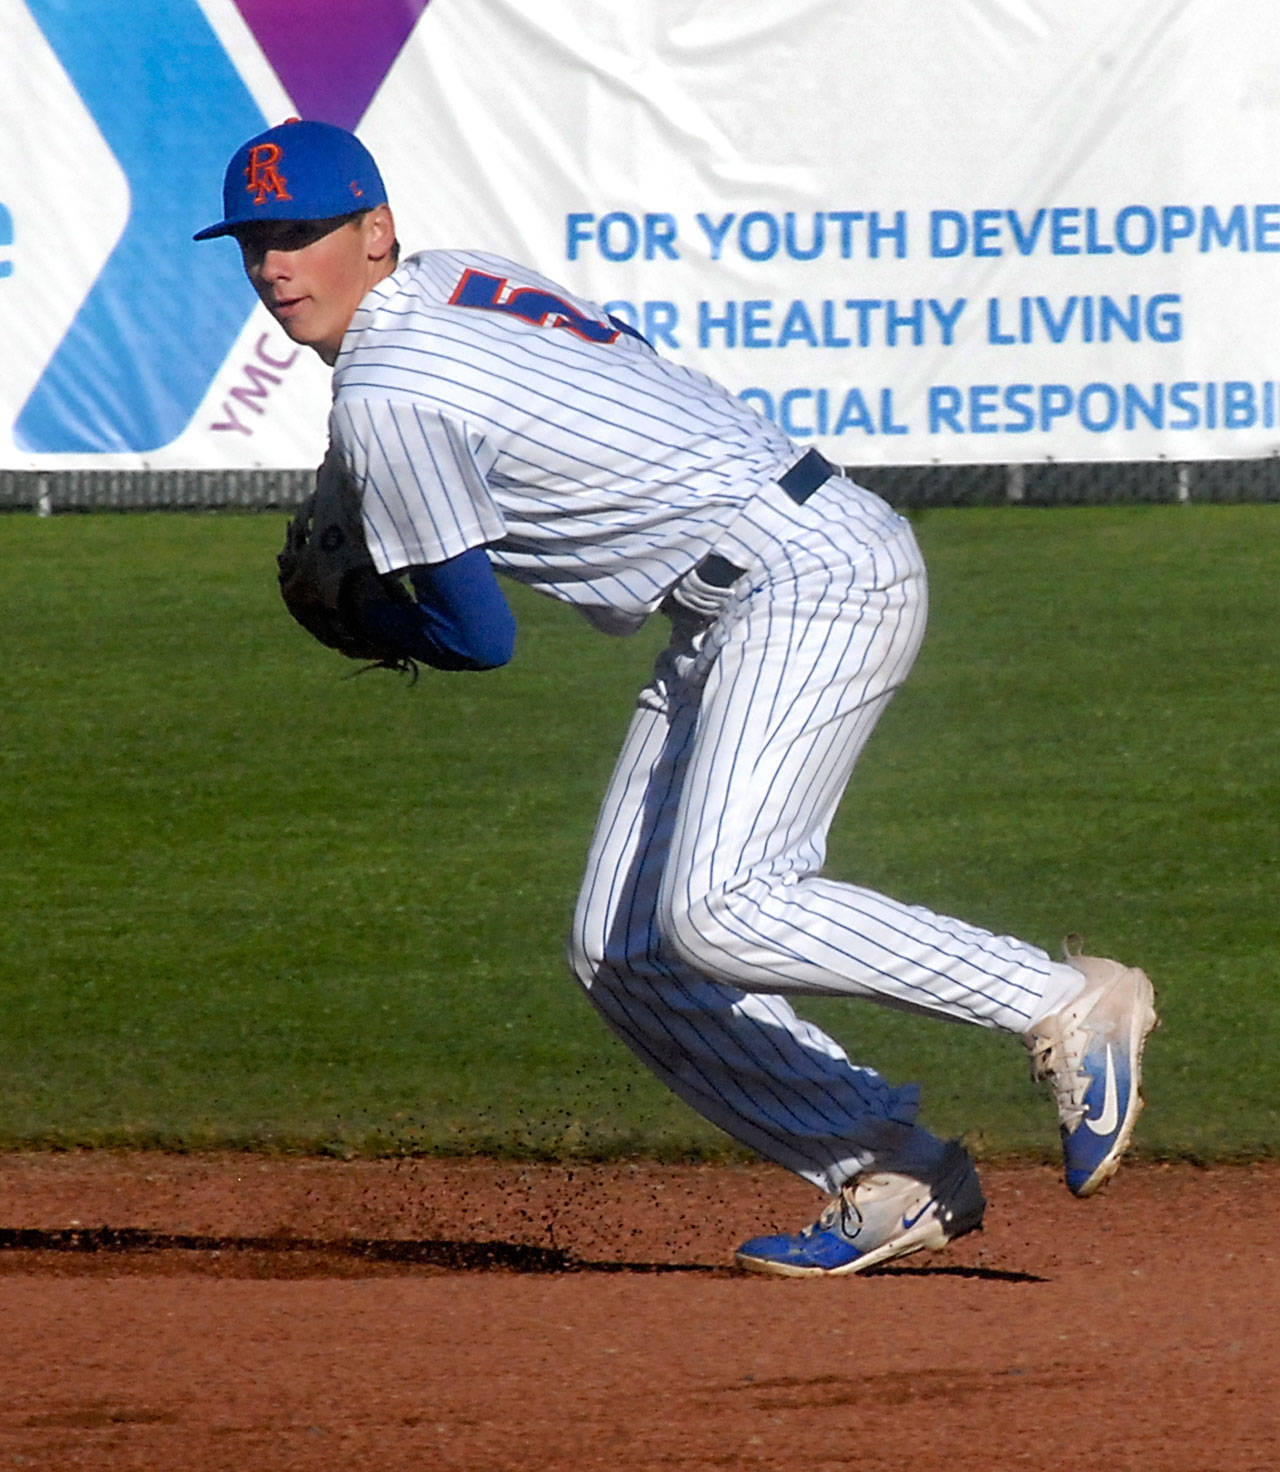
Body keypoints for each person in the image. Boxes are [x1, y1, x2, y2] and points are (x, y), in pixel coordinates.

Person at [196, 120, 1158, 1275]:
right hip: (748, 583)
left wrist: (366, 618)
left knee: (722, 907)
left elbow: (476, 634)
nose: (275, 266)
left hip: (805, 579)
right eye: (255, 240)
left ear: (374, 231)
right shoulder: (447, 282)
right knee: (623, 951)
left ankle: (1061, 1000)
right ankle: (883, 1164)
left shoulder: (388, 387)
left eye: (300, 234)